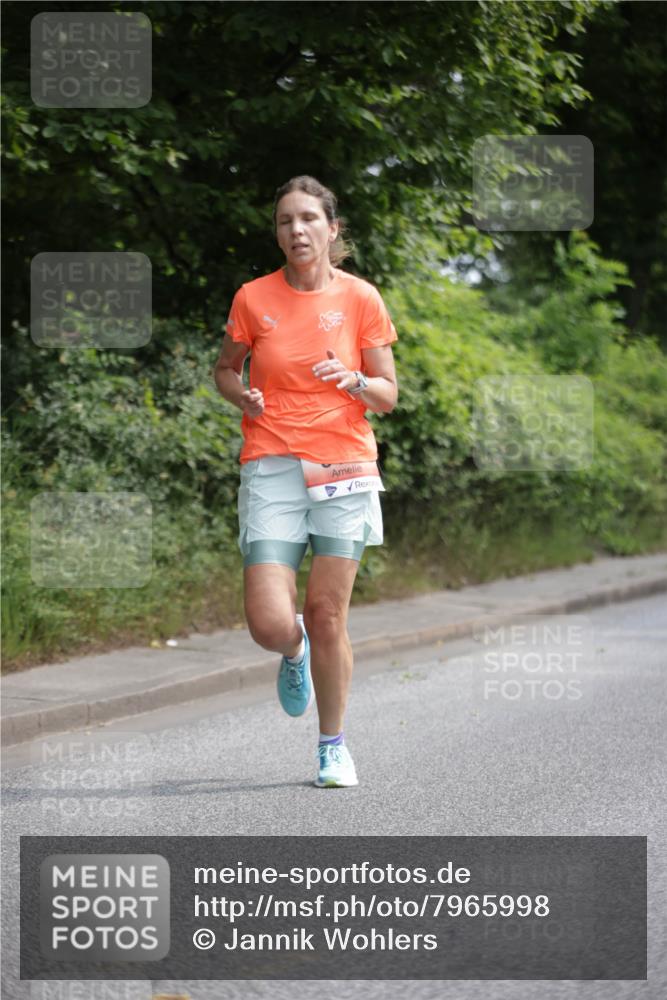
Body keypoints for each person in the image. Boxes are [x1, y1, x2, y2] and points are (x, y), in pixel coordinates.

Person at [213, 175, 398, 787]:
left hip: (343, 462)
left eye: (309, 219)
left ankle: (332, 745)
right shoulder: (252, 297)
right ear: (278, 232)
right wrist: (243, 394)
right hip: (270, 461)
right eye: (286, 220)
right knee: (271, 622)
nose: (297, 230)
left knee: (325, 613)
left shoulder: (362, 299)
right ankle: (290, 654)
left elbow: (388, 393)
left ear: (332, 229)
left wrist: (352, 380)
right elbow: (224, 370)